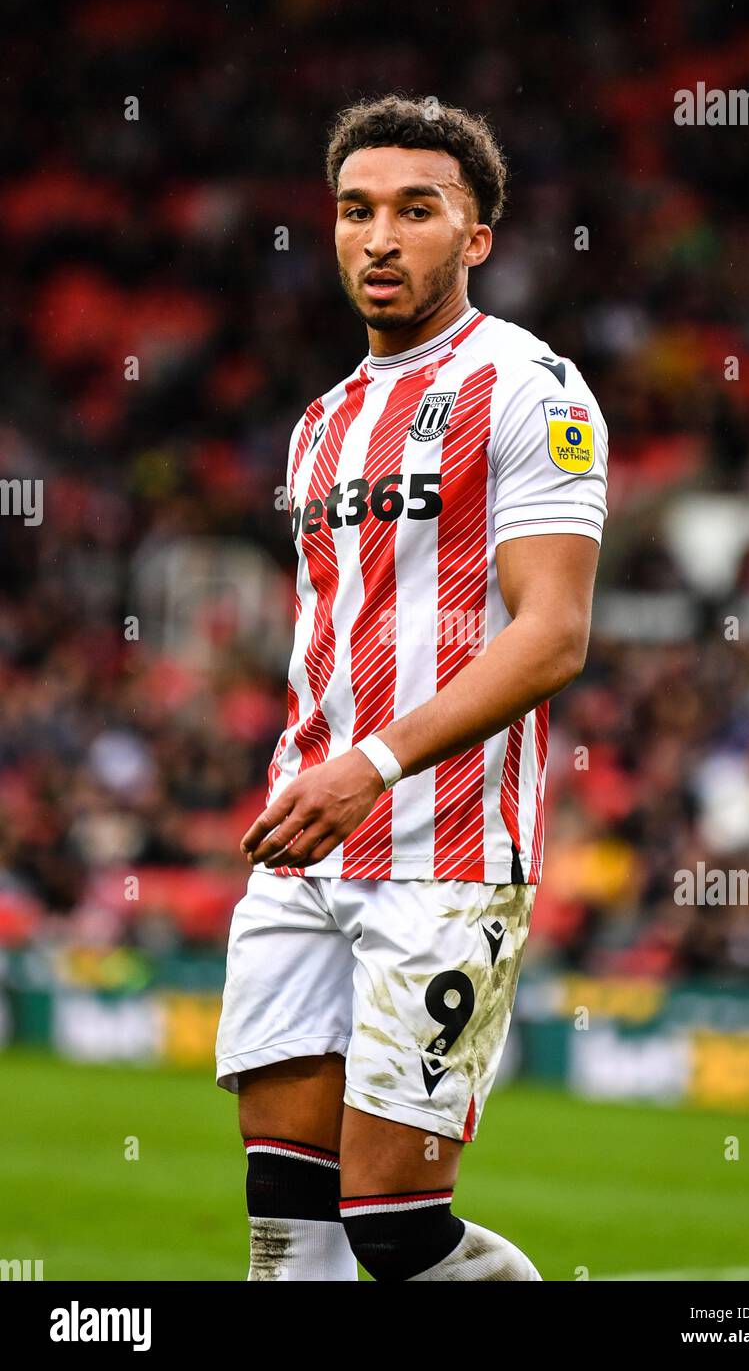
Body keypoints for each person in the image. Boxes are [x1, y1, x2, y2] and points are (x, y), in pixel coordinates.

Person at [214, 92, 609, 1281]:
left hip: (440, 857)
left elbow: (551, 636)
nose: (378, 238)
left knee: (393, 1232)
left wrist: (371, 765)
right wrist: (318, 774)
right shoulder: (319, 422)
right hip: (304, 845)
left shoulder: (531, 389)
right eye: (354, 210)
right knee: (287, 1218)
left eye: (415, 211)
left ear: (475, 236)